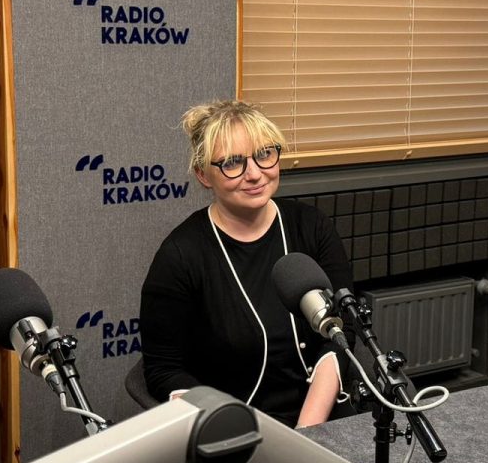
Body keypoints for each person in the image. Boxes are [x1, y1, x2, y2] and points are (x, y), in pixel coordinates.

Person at [139, 100, 352, 427]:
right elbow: (163, 370)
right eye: (233, 163)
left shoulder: (311, 227)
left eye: (264, 154)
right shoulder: (180, 256)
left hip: (322, 421)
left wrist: (306, 433)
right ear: (203, 175)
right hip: (236, 431)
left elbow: (339, 332)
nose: (254, 174)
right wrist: (229, 428)